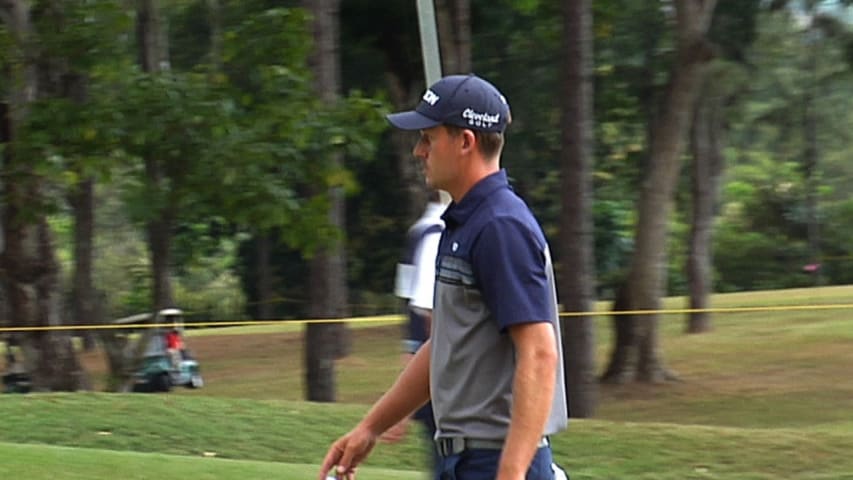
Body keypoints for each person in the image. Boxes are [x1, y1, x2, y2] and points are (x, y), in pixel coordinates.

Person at [317, 74, 568, 480]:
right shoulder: (464, 225)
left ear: (465, 142)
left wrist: (510, 473)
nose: (418, 151)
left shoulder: (500, 226)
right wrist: (370, 428)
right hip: (463, 461)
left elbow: (539, 354)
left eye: (428, 139)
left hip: (494, 461)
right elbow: (446, 345)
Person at [384, 188, 449, 476]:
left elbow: (411, 323)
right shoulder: (435, 237)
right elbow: (425, 328)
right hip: (447, 395)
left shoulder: (419, 235)